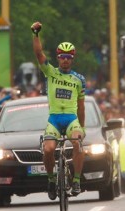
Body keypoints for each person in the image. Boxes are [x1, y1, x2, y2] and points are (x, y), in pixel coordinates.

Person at [31, 21, 86, 199]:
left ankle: (76, 180)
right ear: (57, 57)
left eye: (68, 57)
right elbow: (38, 53)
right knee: (48, 150)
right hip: (54, 119)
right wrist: (35, 33)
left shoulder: (79, 80)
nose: (65, 59)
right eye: (62, 56)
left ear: (73, 58)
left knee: (77, 142)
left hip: (71, 118)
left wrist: (82, 128)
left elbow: (81, 106)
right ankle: (51, 179)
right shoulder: (50, 72)